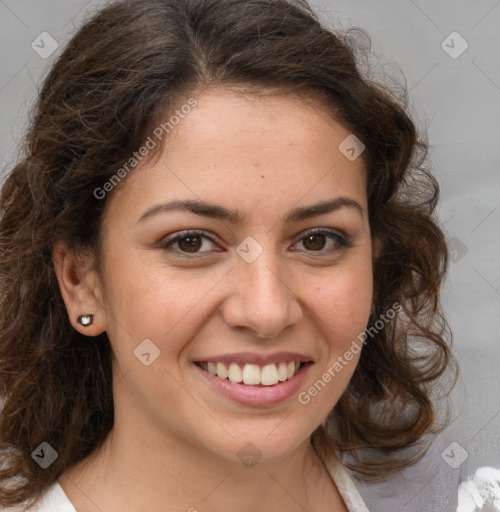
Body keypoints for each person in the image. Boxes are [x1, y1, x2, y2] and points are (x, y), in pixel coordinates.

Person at [0, 0, 457, 510]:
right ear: (81, 280)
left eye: (317, 240)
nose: (266, 311)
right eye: (191, 242)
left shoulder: (462, 495)